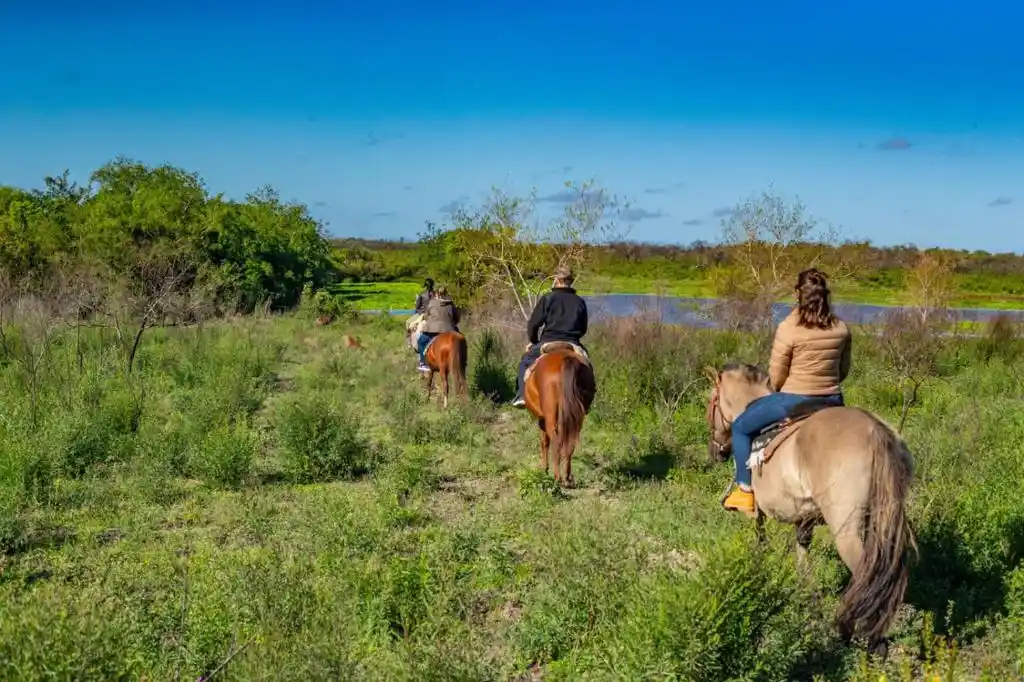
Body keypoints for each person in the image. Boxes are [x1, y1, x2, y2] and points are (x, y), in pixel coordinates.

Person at [722, 268, 852, 515]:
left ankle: (744, 491)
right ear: (826, 295)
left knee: (740, 426)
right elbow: (843, 370)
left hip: (793, 400)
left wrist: (784, 389)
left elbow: (778, 376)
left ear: (797, 295)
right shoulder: (841, 329)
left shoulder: (789, 328)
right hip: (833, 401)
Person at [511, 265, 588, 407]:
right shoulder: (580, 302)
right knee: (587, 366)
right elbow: (583, 329)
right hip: (572, 343)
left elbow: (533, 324)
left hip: (548, 342)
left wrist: (534, 341)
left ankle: (522, 395)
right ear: (571, 281)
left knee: (525, 361)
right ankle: (587, 399)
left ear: (556, 280)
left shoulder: (548, 298)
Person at [416, 285, 461, 372]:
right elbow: (457, 318)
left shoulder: (432, 303)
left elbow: (426, 317)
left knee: (421, 341)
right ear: (446, 293)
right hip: (450, 330)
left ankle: (423, 363)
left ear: (436, 293)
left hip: (433, 331)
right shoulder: (451, 304)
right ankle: (462, 361)